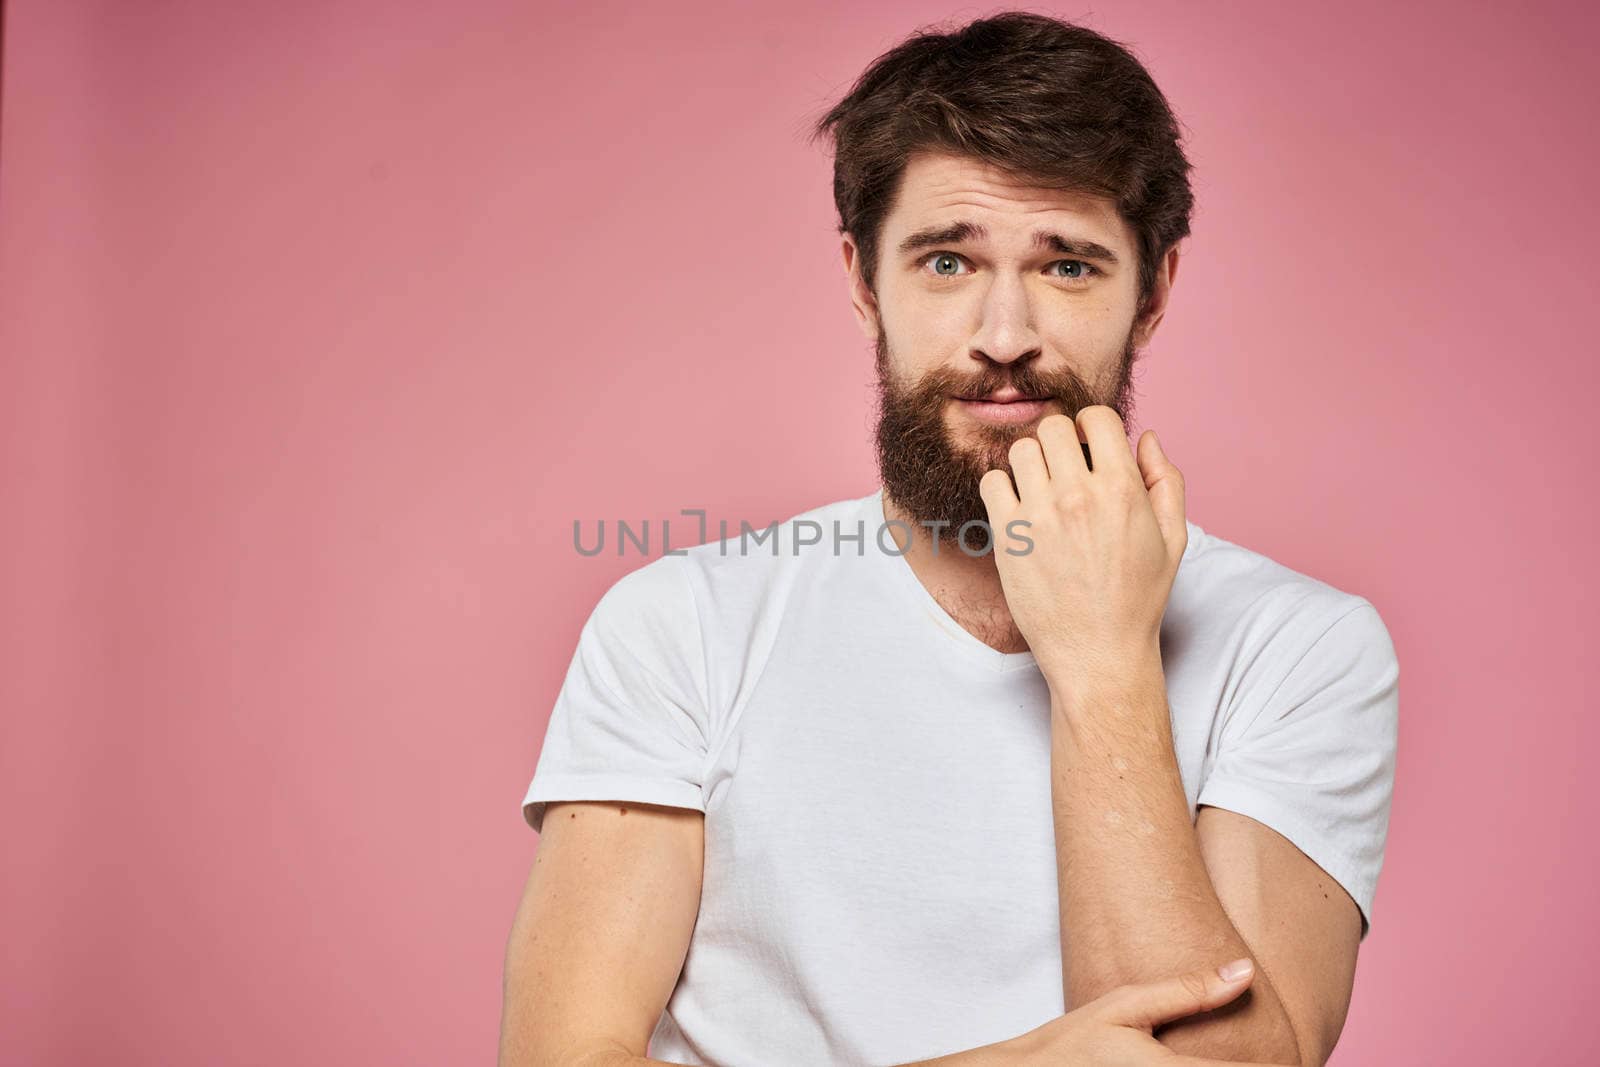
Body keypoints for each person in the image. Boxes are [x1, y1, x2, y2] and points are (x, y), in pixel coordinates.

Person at [500, 12, 1399, 1067]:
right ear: (859, 278)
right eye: (944, 262)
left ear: (1151, 294)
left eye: (1068, 266)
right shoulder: (685, 624)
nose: (1005, 334)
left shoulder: (1298, 647)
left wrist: (1105, 664)